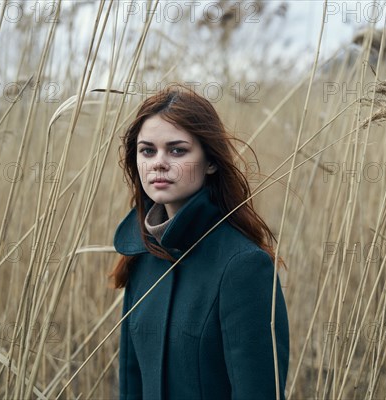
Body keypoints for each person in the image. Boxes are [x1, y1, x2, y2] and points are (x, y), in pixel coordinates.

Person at [111, 84, 290, 399]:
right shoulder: (141, 257)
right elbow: (131, 385)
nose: (158, 163)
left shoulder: (243, 267)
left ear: (211, 161)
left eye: (177, 150)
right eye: (147, 150)